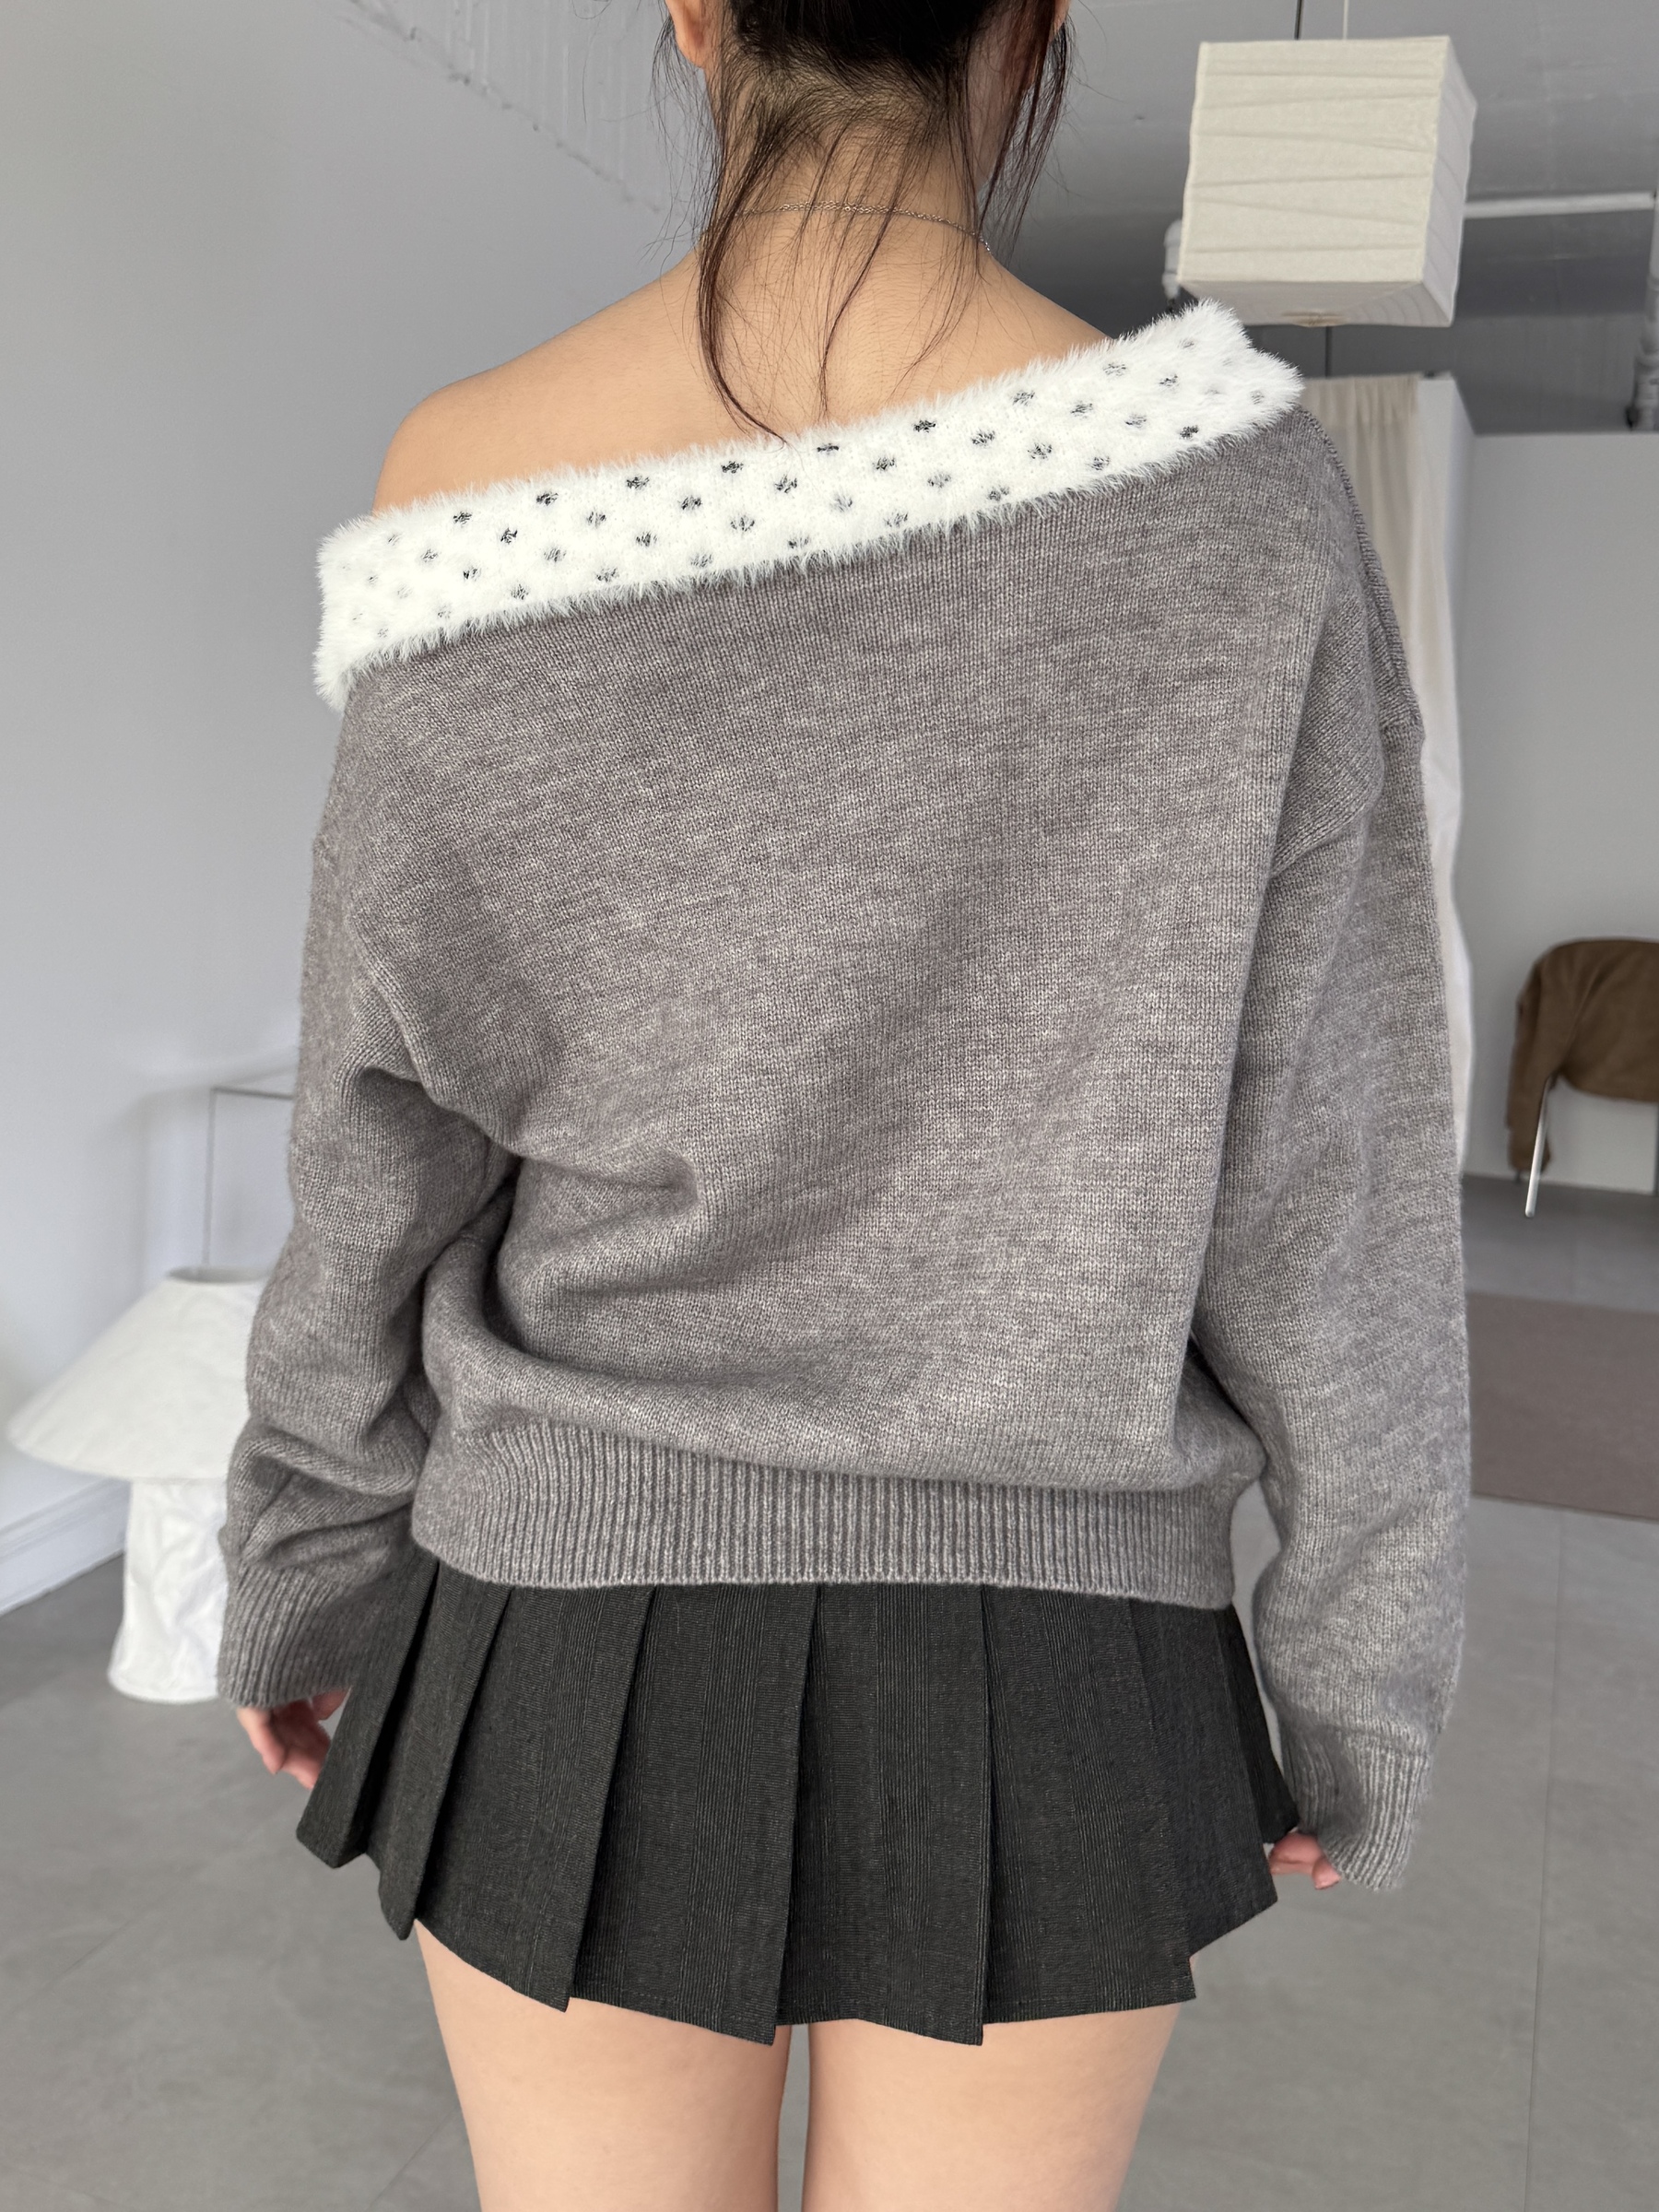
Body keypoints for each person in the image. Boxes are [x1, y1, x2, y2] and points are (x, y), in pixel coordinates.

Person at [222, 0, 1469, 2205]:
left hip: (564, 1619)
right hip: (1064, 1649)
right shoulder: (1247, 511)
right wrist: (1362, 1664)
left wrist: (305, 1551)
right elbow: (1332, 1167)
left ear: (691, 14)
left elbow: (380, 1123)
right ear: (1034, 23)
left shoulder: (465, 483)